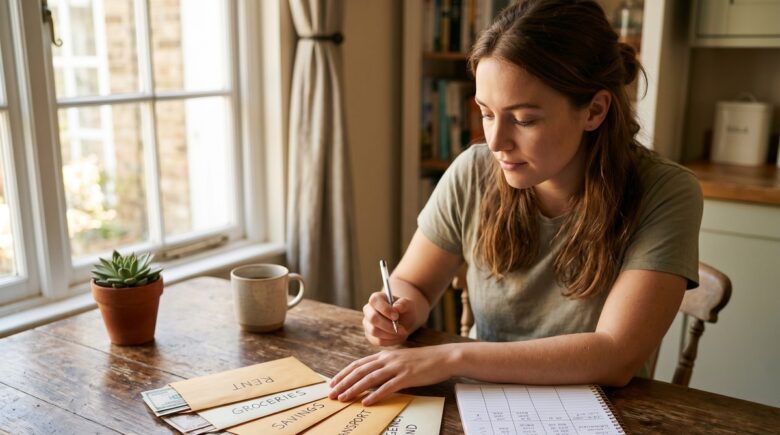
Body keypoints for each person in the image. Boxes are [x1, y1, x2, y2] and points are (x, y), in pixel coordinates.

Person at [329, 0, 702, 406]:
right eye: (487, 113)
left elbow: (614, 355)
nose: (495, 142)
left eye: (523, 119)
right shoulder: (473, 171)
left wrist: (451, 356)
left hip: (603, 413)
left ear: (594, 110)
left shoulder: (666, 192)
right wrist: (395, 310)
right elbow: (413, 283)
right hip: (481, 405)